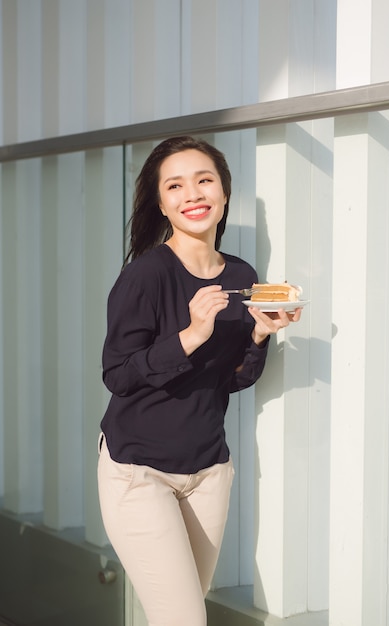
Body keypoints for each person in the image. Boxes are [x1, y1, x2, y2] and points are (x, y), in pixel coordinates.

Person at [97, 135, 302, 626]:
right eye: (176, 185)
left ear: (224, 193)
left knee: (179, 613)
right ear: (162, 203)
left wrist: (259, 333)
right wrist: (189, 336)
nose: (193, 194)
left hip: (209, 472)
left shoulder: (242, 274)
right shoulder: (145, 276)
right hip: (138, 472)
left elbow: (231, 381)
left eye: (204, 180)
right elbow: (117, 375)